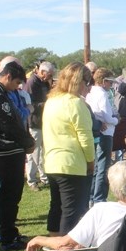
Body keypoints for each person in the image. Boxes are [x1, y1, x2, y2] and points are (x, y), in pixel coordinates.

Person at [0, 61, 35, 251]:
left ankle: (9, 231)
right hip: (6, 149)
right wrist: (28, 142)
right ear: (8, 77)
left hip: (11, 148)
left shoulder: (0, 91)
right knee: (8, 195)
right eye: (17, 83)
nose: (18, 87)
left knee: (13, 194)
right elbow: (9, 122)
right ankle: (6, 236)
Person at [43, 62, 96, 239]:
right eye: (87, 83)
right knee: (71, 210)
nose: (88, 88)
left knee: (56, 206)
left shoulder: (51, 101)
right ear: (79, 82)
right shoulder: (76, 104)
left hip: (52, 162)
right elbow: (85, 138)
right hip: (72, 164)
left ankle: (54, 244)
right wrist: (91, 162)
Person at [85, 67, 118, 204]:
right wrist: (116, 120)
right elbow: (106, 115)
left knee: (97, 166)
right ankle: (99, 199)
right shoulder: (102, 94)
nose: (111, 85)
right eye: (110, 82)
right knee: (103, 167)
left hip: (96, 131)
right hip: (105, 133)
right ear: (103, 81)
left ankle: (92, 197)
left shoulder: (91, 92)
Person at [24, 61, 55, 191]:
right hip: (35, 122)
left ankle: (43, 177)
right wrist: (47, 104)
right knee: (33, 153)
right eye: (49, 75)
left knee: (43, 152)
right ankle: (32, 180)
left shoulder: (43, 82)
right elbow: (30, 104)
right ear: (42, 72)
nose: (50, 77)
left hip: (44, 122)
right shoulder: (32, 82)